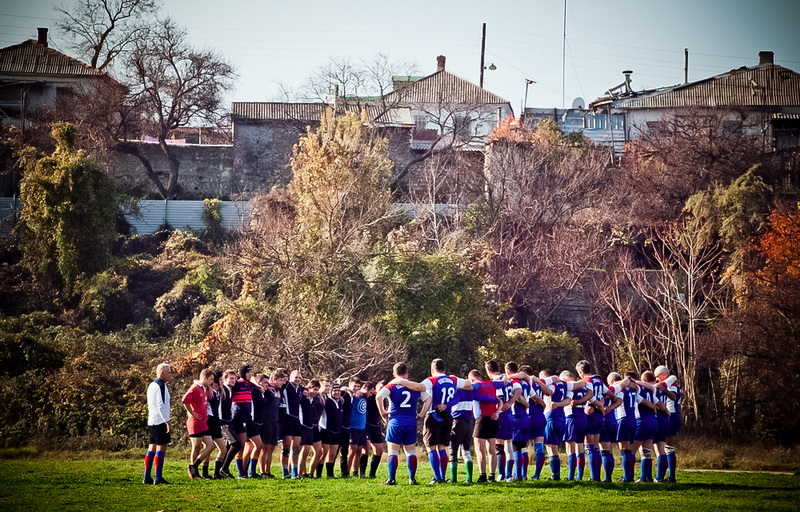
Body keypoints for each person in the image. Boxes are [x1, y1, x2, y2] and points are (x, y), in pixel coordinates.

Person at [419, 359, 473, 484]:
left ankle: (437, 477)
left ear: (432, 370)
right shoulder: (453, 380)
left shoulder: (431, 380)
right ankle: (442, 476)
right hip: (448, 416)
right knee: (442, 447)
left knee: (431, 447)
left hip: (433, 415)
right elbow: (469, 384)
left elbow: (420, 387)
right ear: (444, 369)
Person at [378, 363, 429, 485]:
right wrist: (421, 414)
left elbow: (378, 396)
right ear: (407, 373)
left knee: (393, 452)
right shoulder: (415, 387)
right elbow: (428, 399)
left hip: (395, 421)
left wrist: (383, 412)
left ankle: (391, 478)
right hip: (411, 422)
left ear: (394, 374)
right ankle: (411, 478)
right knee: (410, 452)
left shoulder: (391, 386)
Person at [448, 373, 499, 483]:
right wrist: (496, 400)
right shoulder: (471, 392)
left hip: (457, 422)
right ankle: (469, 478)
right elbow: (484, 398)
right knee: (466, 450)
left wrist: (444, 406)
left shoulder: (456, 392)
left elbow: (451, 402)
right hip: (468, 423)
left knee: (453, 450)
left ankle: (453, 478)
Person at [576, 360, 618, 482]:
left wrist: (592, 405)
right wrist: (602, 406)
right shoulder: (599, 381)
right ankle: (605, 477)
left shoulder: (586, 380)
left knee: (590, 447)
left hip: (590, 416)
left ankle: (595, 477)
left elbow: (589, 395)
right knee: (596, 447)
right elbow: (612, 396)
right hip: (600, 416)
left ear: (580, 372)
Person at [468, 369, 504, 483]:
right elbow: (505, 382)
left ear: (472, 379)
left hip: (482, 419)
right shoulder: (492, 383)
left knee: (479, 449)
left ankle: (482, 475)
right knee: (492, 449)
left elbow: (469, 389)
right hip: (493, 418)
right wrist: (498, 412)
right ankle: (492, 476)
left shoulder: (476, 386)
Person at [485, 360, 518, 481]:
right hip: (509, 414)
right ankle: (509, 475)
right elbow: (517, 391)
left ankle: (502, 475)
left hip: (501, 415)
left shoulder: (495, 382)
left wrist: (498, 410)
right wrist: (510, 403)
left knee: (499, 445)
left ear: (488, 371)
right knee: (509, 445)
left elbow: (499, 398)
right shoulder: (508, 379)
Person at [520, 365, 553, 480]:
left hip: (528, 417)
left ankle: (523, 474)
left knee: (523, 447)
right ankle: (536, 475)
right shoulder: (539, 382)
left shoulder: (523, 383)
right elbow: (549, 392)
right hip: (540, 417)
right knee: (539, 447)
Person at [182, 368, 215, 480]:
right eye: (210, 380)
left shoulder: (204, 388)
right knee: (196, 447)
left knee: (210, 445)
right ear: (204, 377)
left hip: (203, 423)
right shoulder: (195, 388)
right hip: (195, 422)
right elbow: (184, 400)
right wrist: (192, 413)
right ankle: (194, 473)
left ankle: (193, 466)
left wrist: (209, 387)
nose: (212, 382)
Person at [560, 370, 592, 481]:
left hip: (571, 418)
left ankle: (570, 476)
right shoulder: (583, 387)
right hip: (582, 417)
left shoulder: (568, 387)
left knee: (570, 447)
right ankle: (579, 476)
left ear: (565, 379)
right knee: (580, 447)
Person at [144, 363, 172, 485]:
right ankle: (158, 477)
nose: (170, 375)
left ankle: (147, 477)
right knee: (161, 447)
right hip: (160, 421)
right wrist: (167, 422)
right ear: (162, 373)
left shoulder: (152, 385)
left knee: (152, 447)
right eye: (169, 372)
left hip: (152, 420)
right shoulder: (161, 385)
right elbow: (161, 405)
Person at [630, 371, 659, 483]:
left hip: (642, 421)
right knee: (646, 451)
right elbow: (659, 404)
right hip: (653, 421)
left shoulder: (637, 389)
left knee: (631, 451)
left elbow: (643, 402)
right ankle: (647, 477)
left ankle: (629, 477)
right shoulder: (651, 390)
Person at [230, 365, 257, 478]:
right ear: (242, 373)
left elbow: (256, 382)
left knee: (259, 444)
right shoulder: (237, 383)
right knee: (241, 446)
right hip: (239, 416)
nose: (250, 374)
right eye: (248, 372)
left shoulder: (250, 384)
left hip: (248, 417)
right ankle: (241, 473)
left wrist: (263, 387)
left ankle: (251, 471)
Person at [655, 365, 681, 482]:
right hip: (669, 416)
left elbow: (674, 397)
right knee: (666, 448)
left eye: (657, 377)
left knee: (667, 447)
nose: (657, 380)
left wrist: (664, 389)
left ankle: (668, 477)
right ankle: (668, 477)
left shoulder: (672, 384)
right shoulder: (668, 383)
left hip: (672, 416)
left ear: (664, 375)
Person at [259, 370, 286, 478]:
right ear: (273, 380)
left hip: (275, 421)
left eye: (283, 380)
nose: (282, 382)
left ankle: (268, 471)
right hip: (267, 421)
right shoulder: (268, 389)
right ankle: (262, 472)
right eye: (280, 380)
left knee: (272, 447)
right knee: (265, 447)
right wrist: (266, 387)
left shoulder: (280, 390)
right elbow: (255, 382)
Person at [204, 371, 228, 479]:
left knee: (222, 449)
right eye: (221, 380)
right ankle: (203, 471)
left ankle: (216, 473)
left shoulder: (219, 391)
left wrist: (221, 388)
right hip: (209, 420)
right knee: (208, 447)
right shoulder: (208, 390)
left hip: (216, 420)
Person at [244, 372, 267, 478]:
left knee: (256, 446)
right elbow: (252, 379)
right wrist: (257, 385)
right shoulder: (254, 390)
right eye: (264, 383)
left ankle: (251, 471)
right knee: (249, 447)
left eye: (267, 383)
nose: (266, 385)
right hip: (252, 422)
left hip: (260, 423)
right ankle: (244, 471)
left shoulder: (263, 392)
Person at [282, 369, 305, 478]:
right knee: (286, 448)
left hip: (297, 420)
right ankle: (285, 472)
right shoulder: (286, 386)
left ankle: (294, 472)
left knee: (295, 448)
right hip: (287, 419)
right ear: (290, 378)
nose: (298, 379)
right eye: (296, 377)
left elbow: (311, 390)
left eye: (300, 378)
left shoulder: (300, 389)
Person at [218, 370, 241, 479]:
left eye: (234, 378)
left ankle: (219, 471)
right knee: (236, 444)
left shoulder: (230, 389)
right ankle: (224, 468)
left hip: (229, 421)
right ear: (224, 379)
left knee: (228, 446)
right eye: (231, 378)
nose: (233, 380)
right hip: (223, 422)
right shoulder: (222, 389)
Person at [298, 379, 324, 478]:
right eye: (314, 389)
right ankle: (300, 473)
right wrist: (304, 390)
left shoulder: (315, 398)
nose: (316, 392)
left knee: (319, 451)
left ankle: (310, 473)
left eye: (317, 390)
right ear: (309, 388)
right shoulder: (303, 396)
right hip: (303, 426)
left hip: (313, 426)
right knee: (303, 451)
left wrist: (319, 394)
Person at [319, 381, 344, 478]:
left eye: (338, 391)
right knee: (323, 453)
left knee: (332, 454)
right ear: (330, 391)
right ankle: (318, 474)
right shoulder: (326, 400)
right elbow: (319, 393)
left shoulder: (340, 401)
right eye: (334, 390)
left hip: (336, 431)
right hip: (326, 430)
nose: (336, 392)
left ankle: (330, 474)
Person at [348, 377, 370, 478]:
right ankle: (346, 472)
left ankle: (355, 472)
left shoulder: (364, 396)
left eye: (358, 386)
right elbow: (343, 388)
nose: (356, 388)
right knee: (353, 449)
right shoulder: (350, 395)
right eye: (354, 386)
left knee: (359, 450)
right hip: (353, 426)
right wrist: (350, 390)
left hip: (362, 427)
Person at [364, 380, 386, 479]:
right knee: (366, 449)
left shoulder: (384, 399)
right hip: (366, 426)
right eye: (380, 388)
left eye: (384, 388)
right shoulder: (369, 397)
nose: (382, 390)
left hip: (376, 426)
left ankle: (372, 474)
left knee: (379, 451)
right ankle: (362, 473)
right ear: (375, 389)